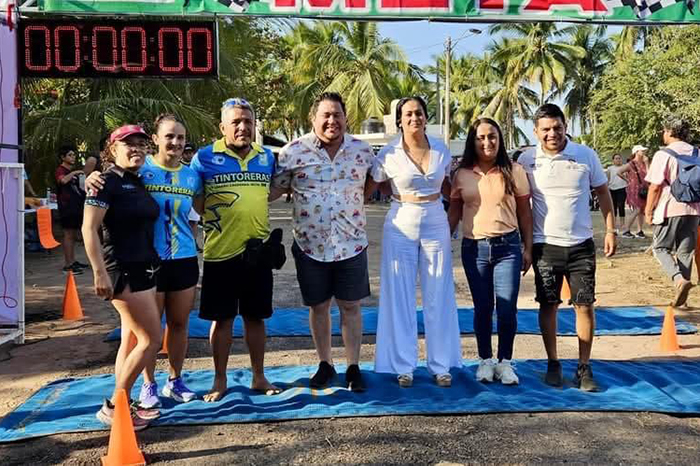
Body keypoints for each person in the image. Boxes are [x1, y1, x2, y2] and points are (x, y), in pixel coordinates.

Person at [86, 115, 203, 408]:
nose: (175, 143)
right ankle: (147, 386)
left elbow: (198, 212)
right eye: (169, 136)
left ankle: (175, 381)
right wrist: (91, 176)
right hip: (148, 262)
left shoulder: (192, 176)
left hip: (184, 257)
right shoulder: (142, 168)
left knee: (179, 323)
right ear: (156, 140)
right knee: (145, 333)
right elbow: (104, 191)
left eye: (180, 137)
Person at [272, 92, 372, 392]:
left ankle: (353, 366)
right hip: (309, 245)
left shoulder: (363, 150)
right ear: (313, 119)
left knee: (351, 306)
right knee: (318, 307)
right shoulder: (292, 152)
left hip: (351, 243)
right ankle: (325, 363)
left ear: (346, 118)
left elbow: (374, 181)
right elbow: (274, 190)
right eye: (325, 115)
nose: (332, 121)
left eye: (337, 115)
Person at [518, 104, 616, 392]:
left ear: (565, 127)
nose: (552, 134)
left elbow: (603, 192)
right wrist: (525, 246)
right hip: (545, 246)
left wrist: (611, 230)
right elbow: (521, 205)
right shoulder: (526, 160)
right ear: (535, 132)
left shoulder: (585, 155)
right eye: (546, 129)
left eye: (557, 128)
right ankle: (553, 362)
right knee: (548, 304)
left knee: (584, 305)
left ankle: (584, 366)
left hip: (581, 245)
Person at [366, 96, 461, 388]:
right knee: (399, 293)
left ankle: (441, 365)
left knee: (439, 292)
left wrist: (455, 220)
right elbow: (371, 188)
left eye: (418, 113)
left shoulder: (441, 149)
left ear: (425, 117)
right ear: (399, 120)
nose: (414, 118)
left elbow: (451, 189)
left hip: (435, 219)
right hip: (401, 220)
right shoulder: (389, 153)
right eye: (407, 114)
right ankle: (403, 366)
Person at [191, 98, 280, 402]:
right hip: (220, 252)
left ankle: (259, 376)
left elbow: (278, 188)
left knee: (256, 318)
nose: (243, 127)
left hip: (258, 254)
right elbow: (195, 199)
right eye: (236, 122)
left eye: (248, 122)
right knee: (223, 320)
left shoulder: (266, 157)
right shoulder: (204, 157)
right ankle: (219, 379)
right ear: (222, 127)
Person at [82, 125, 162, 430]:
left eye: (141, 143)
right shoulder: (105, 182)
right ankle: (116, 406)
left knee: (130, 340)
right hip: (123, 271)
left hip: (145, 269)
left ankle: (123, 404)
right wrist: (99, 272)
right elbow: (89, 229)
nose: (136, 148)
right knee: (151, 340)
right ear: (112, 149)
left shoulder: (137, 179)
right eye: (128, 144)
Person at [448, 117, 533, 385]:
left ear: (500, 139)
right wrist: (440, 243)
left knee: (506, 309)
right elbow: (454, 212)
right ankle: (485, 360)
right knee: (482, 308)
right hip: (474, 250)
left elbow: (525, 213)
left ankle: (505, 362)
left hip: (508, 248)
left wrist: (528, 247)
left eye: (492, 136)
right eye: (481, 137)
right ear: (472, 142)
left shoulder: (514, 171)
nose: (487, 142)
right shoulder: (461, 174)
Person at [644, 116, 700, 307]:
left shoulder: (663, 154)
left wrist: (648, 211)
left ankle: (678, 280)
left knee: (660, 248)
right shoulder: (697, 152)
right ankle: (683, 299)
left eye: (664, 131)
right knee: (685, 252)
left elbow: (655, 187)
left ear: (669, 131)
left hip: (670, 207)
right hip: (694, 209)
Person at [55, 146, 91, 273]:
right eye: (70, 155)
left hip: (76, 207)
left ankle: (73, 261)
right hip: (66, 207)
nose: (73, 157)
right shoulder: (61, 170)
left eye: (74, 155)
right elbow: (63, 180)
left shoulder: (72, 173)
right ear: (63, 157)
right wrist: (75, 173)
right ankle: (68, 264)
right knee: (68, 234)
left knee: (74, 235)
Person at [617, 145, 649, 238]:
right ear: (636, 152)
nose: (644, 152)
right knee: (637, 209)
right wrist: (628, 180)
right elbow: (619, 172)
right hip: (635, 190)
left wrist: (647, 164)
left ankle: (639, 230)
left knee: (641, 210)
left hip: (644, 189)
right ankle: (626, 230)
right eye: (642, 151)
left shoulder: (644, 163)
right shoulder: (631, 164)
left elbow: (649, 174)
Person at [606, 154, 628, 234]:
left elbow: (628, 177)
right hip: (612, 189)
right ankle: (614, 223)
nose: (618, 160)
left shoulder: (625, 167)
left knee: (621, 205)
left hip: (622, 188)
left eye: (619, 158)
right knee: (613, 207)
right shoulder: (610, 168)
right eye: (616, 158)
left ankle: (622, 223)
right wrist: (607, 188)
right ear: (613, 160)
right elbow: (608, 179)